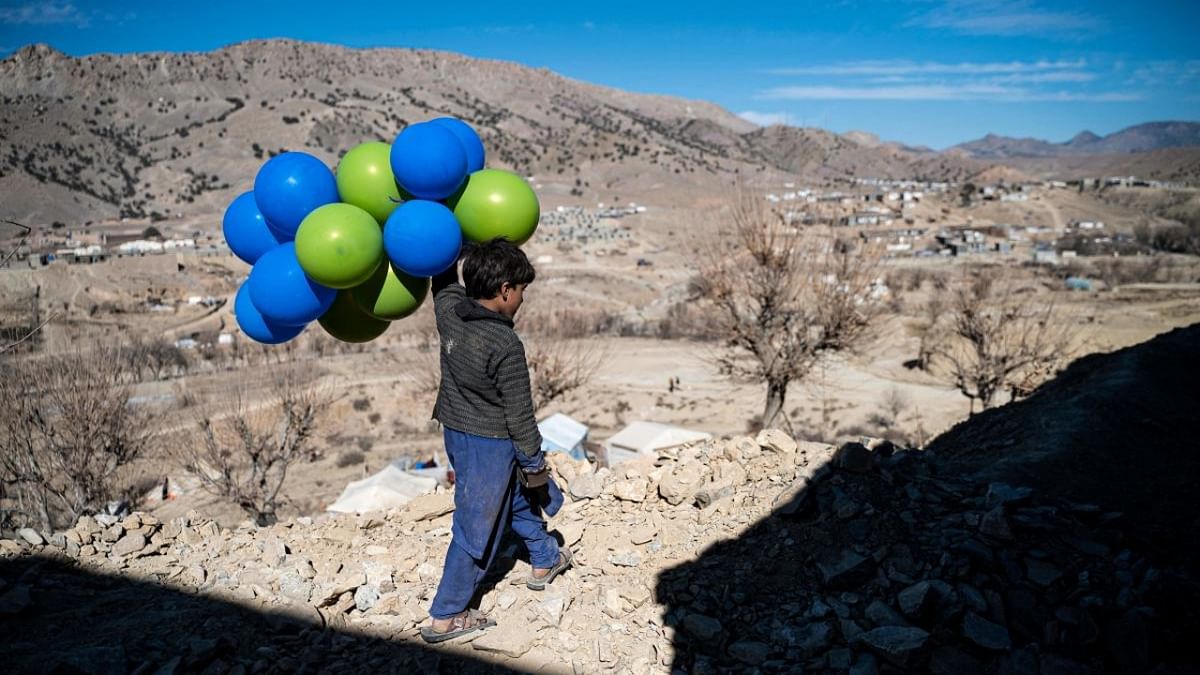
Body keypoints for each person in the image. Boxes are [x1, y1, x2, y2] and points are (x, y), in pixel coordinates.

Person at [420, 238, 573, 643]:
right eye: (521, 291)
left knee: (515, 498)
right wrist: (534, 463)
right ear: (506, 290)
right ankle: (447, 615)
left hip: (456, 432)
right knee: (478, 524)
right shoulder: (505, 344)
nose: (522, 300)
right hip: (491, 442)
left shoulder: (450, 313)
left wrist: (449, 242)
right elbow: (519, 415)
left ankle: (544, 558)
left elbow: (441, 280)